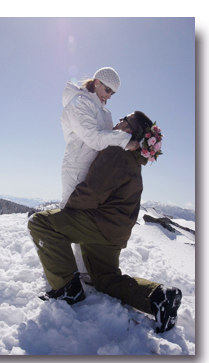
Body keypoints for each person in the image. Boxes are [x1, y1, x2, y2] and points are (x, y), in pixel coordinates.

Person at [28, 111, 182, 333]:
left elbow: (93, 192)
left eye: (123, 119)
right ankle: (159, 296)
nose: (118, 121)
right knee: (105, 280)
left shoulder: (117, 152)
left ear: (129, 129)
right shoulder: (133, 160)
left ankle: (66, 288)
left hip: (99, 224)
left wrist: (65, 212)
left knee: (41, 223)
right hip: (115, 232)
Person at [60, 67, 138, 279]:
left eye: (113, 92)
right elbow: (94, 137)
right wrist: (126, 141)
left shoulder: (105, 112)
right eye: (107, 89)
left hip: (94, 172)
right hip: (76, 167)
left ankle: (85, 271)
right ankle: (67, 272)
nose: (109, 95)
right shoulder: (79, 102)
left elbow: (108, 142)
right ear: (96, 82)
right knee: (69, 217)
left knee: (85, 219)